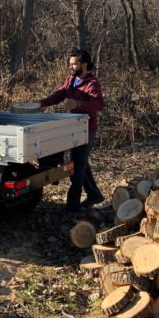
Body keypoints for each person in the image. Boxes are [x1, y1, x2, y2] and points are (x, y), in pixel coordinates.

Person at [38, 49, 105, 212]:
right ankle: (95, 194)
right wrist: (39, 104)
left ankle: (72, 206)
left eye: (74, 63)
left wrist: (79, 104)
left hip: (86, 130)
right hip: (71, 129)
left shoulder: (92, 83)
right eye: (70, 64)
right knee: (80, 163)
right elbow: (58, 95)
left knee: (78, 166)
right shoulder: (70, 80)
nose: (71, 66)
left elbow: (99, 105)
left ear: (84, 64)